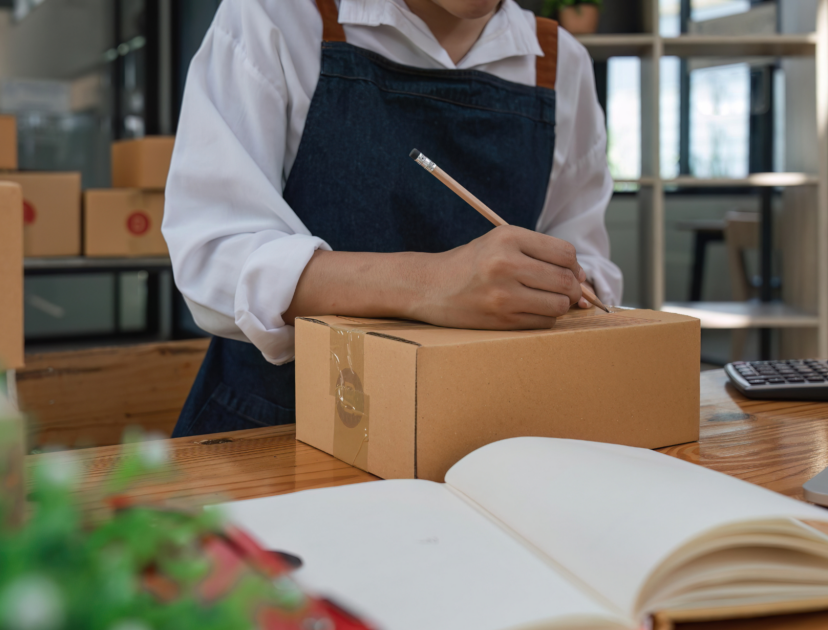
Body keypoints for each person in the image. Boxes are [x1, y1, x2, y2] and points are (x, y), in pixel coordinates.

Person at [163, 0, 623, 437]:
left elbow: (586, 261)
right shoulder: (280, 15)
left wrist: (564, 287)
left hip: (480, 431)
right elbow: (212, 258)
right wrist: (430, 282)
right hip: (279, 426)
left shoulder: (563, 63)